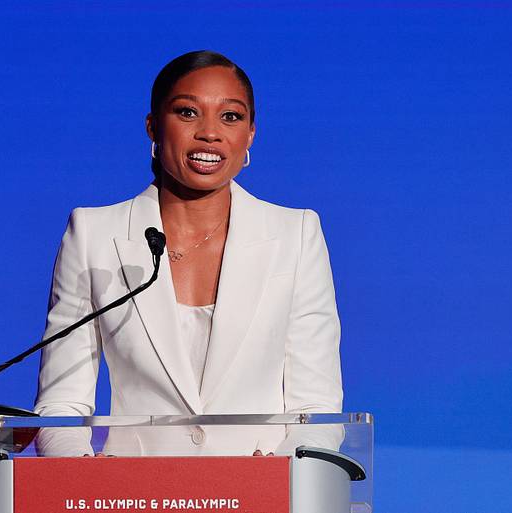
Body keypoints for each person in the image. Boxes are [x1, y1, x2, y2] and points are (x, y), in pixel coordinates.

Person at [33, 50, 343, 457]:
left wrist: (277, 481)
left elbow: (316, 410)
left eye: (230, 117)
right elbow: (61, 407)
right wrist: (86, 482)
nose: (210, 133)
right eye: (187, 113)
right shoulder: (93, 234)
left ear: (250, 134)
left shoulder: (296, 235)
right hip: (129, 498)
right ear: (152, 126)